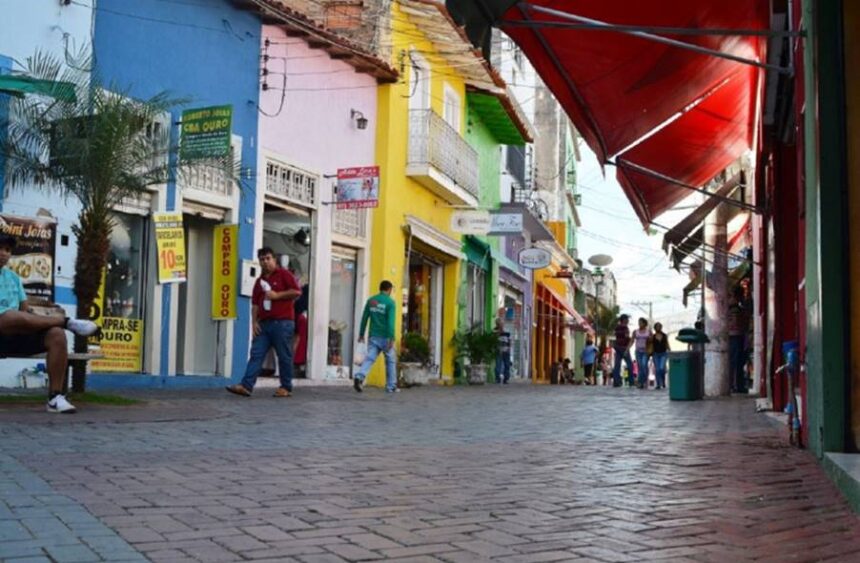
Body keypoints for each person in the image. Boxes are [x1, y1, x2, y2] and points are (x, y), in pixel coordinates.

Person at [0, 235, 99, 413]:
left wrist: (37, 318)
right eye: (0, 249)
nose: (4, 253)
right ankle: (66, 322)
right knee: (7, 316)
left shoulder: (13, 278)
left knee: (56, 335)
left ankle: (55, 398)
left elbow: (24, 310)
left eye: (7, 250)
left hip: (15, 335)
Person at [227, 247, 301, 398]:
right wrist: (254, 323)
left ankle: (286, 387)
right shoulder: (259, 282)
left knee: (284, 356)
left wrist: (277, 295)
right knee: (256, 354)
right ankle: (246, 386)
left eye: (268, 258)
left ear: (274, 259)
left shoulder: (284, 274)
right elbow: (255, 304)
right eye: (262, 259)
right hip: (264, 324)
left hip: (282, 323)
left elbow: (296, 291)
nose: (265, 262)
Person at [354, 280, 398, 393]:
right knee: (390, 361)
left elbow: (364, 318)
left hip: (373, 336)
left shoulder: (371, 300)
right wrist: (391, 337)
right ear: (389, 290)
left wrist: (361, 334)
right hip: (385, 337)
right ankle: (391, 386)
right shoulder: (390, 303)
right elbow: (390, 322)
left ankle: (360, 376)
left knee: (370, 358)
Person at [728, 286, 750, 393]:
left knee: (735, 362)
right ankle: (737, 385)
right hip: (736, 336)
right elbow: (741, 323)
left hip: (734, 337)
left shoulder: (733, 308)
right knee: (737, 362)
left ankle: (734, 385)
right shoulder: (736, 309)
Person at [612, 314, 634, 387]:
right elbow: (626, 337)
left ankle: (616, 382)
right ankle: (631, 381)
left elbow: (615, 336)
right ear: (624, 320)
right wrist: (631, 340)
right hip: (624, 348)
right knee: (630, 365)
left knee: (617, 365)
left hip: (617, 347)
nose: (628, 320)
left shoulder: (617, 327)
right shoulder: (625, 328)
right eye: (627, 319)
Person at [633, 318, 653, 389]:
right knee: (640, 366)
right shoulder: (635, 331)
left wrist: (650, 338)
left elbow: (652, 340)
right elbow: (632, 340)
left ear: (645, 324)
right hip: (638, 351)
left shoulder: (648, 331)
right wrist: (627, 349)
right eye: (639, 322)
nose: (639, 324)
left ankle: (644, 381)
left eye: (641, 322)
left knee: (644, 365)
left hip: (646, 351)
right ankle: (641, 382)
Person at [651, 322, 670, 389]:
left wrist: (670, 350)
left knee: (662, 368)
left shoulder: (664, 335)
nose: (658, 328)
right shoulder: (653, 336)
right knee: (657, 369)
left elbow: (667, 344)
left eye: (659, 327)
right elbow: (651, 344)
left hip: (663, 353)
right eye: (657, 327)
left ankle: (663, 381)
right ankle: (658, 384)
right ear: (655, 328)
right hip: (655, 354)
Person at [494, 318, 512, 384]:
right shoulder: (494, 331)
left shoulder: (507, 331)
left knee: (507, 365)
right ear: (497, 324)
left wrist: (509, 348)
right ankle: (497, 379)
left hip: (506, 350)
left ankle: (506, 379)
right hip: (498, 350)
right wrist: (498, 332)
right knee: (498, 366)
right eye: (499, 324)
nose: (501, 325)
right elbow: (493, 341)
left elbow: (509, 340)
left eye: (502, 323)